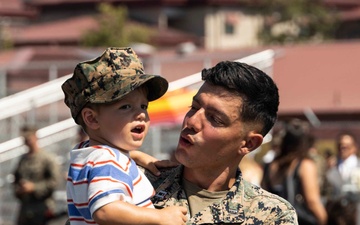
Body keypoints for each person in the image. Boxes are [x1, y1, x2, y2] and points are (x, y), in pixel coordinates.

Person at [142, 61, 298, 224]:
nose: (192, 121)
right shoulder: (136, 182)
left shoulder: (271, 215)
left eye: (214, 119)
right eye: (194, 107)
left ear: (249, 143)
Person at [61, 47, 187, 225]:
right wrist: (160, 217)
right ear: (91, 118)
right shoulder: (108, 160)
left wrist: (137, 156)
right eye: (126, 107)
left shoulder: (87, 153)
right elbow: (106, 211)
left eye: (144, 106)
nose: (141, 114)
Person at [261, 119, 327, 225]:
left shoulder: (270, 166)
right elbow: (312, 201)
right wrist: (324, 220)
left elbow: (263, 195)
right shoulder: (305, 165)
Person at [13, 125, 61, 225]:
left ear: (35, 137)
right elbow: (16, 179)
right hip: (26, 208)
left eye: (29, 138)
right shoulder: (23, 159)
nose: (26, 141)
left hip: (42, 208)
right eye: (25, 138)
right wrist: (19, 189)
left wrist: (34, 187)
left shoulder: (46, 159)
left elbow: (54, 182)